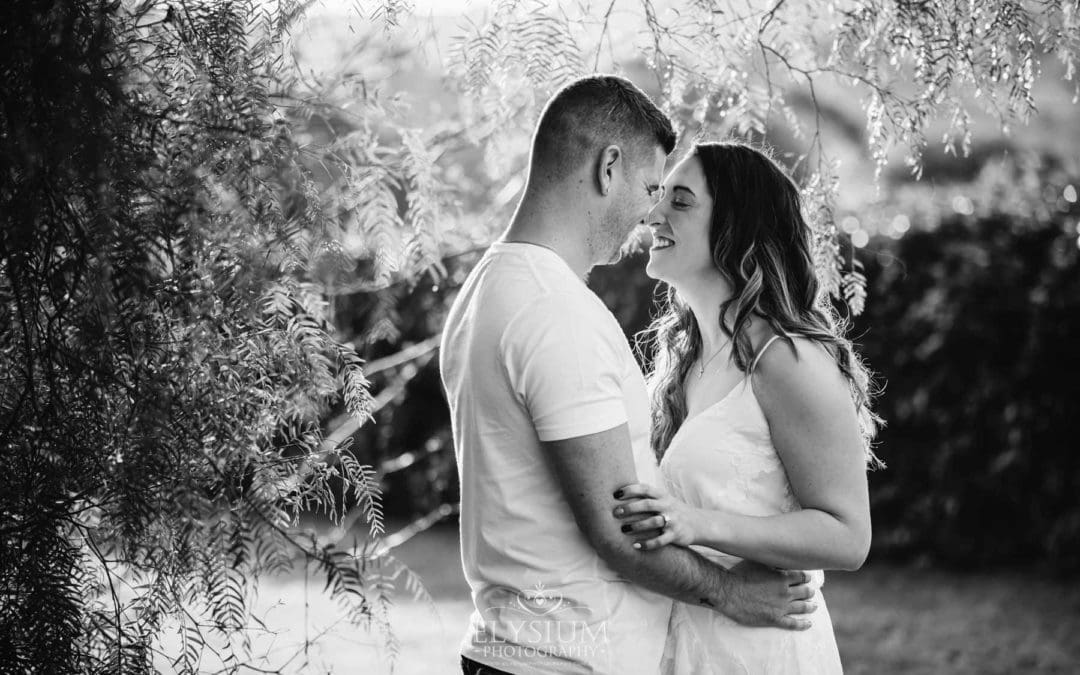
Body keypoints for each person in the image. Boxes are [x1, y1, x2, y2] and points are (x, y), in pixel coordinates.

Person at [440, 78, 817, 675]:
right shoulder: (554, 308)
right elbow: (617, 529)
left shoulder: (489, 287)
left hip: (523, 648)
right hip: (564, 658)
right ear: (607, 167)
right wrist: (730, 591)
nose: (649, 214)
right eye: (649, 187)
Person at [612, 141, 882, 673]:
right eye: (659, 197)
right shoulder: (684, 357)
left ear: (738, 226)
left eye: (681, 201)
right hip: (682, 639)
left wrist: (697, 524)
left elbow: (848, 536)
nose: (651, 214)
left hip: (761, 648)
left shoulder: (785, 358)